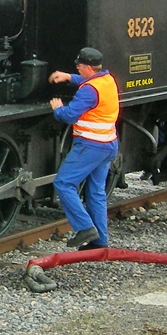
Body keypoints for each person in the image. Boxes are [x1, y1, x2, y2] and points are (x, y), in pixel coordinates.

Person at [49, 47, 120, 248]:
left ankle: (84, 227)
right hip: (108, 144)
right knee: (96, 192)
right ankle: (99, 242)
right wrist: (68, 77)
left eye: (79, 67)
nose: (77, 69)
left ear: (88, 67)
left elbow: (69, 116)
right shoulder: (107, 80)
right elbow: (86, 82)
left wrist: (58, 108)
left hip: (91, 145)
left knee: (63, 183)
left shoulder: (89, 91)